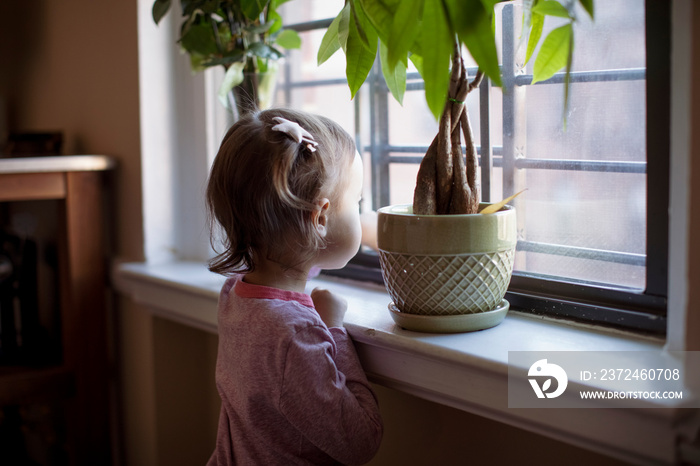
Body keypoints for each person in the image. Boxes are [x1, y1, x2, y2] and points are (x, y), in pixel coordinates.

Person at [205, 108, 383, 465]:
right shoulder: (296, 333)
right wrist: (334, 330)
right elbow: (361, 440)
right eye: (358, 202)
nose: (362, 214)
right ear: (319, 217)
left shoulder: (235, 297)